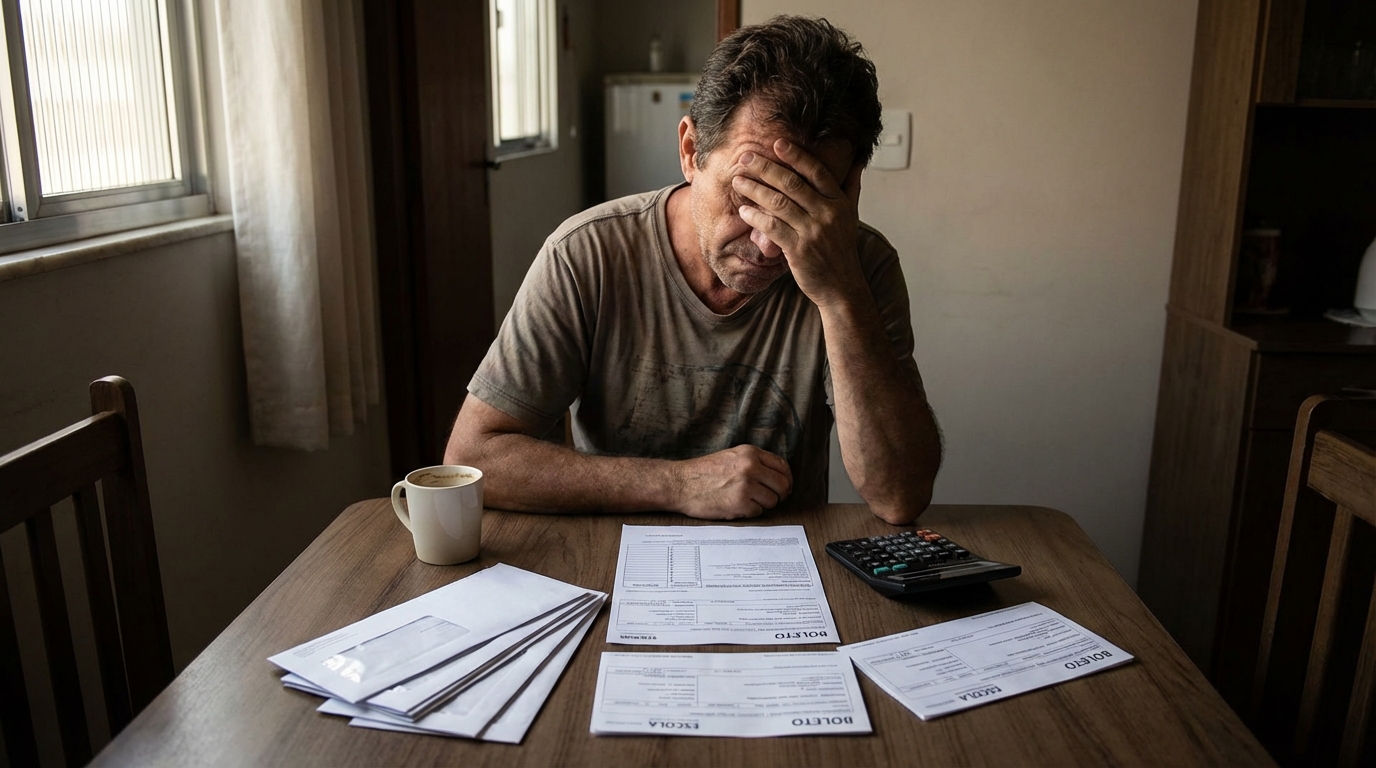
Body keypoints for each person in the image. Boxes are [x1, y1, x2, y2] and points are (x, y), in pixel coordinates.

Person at [444, 15, 941, 524]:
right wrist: (678, 484)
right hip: (611, 555)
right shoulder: (586, 254)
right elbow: (473, 458)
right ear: (690, 151)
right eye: (746, 196)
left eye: (806, 205)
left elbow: (898, 496)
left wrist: (840, 296)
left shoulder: (862, 267)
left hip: (786, 574)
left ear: (851, 185)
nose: (770, 245)